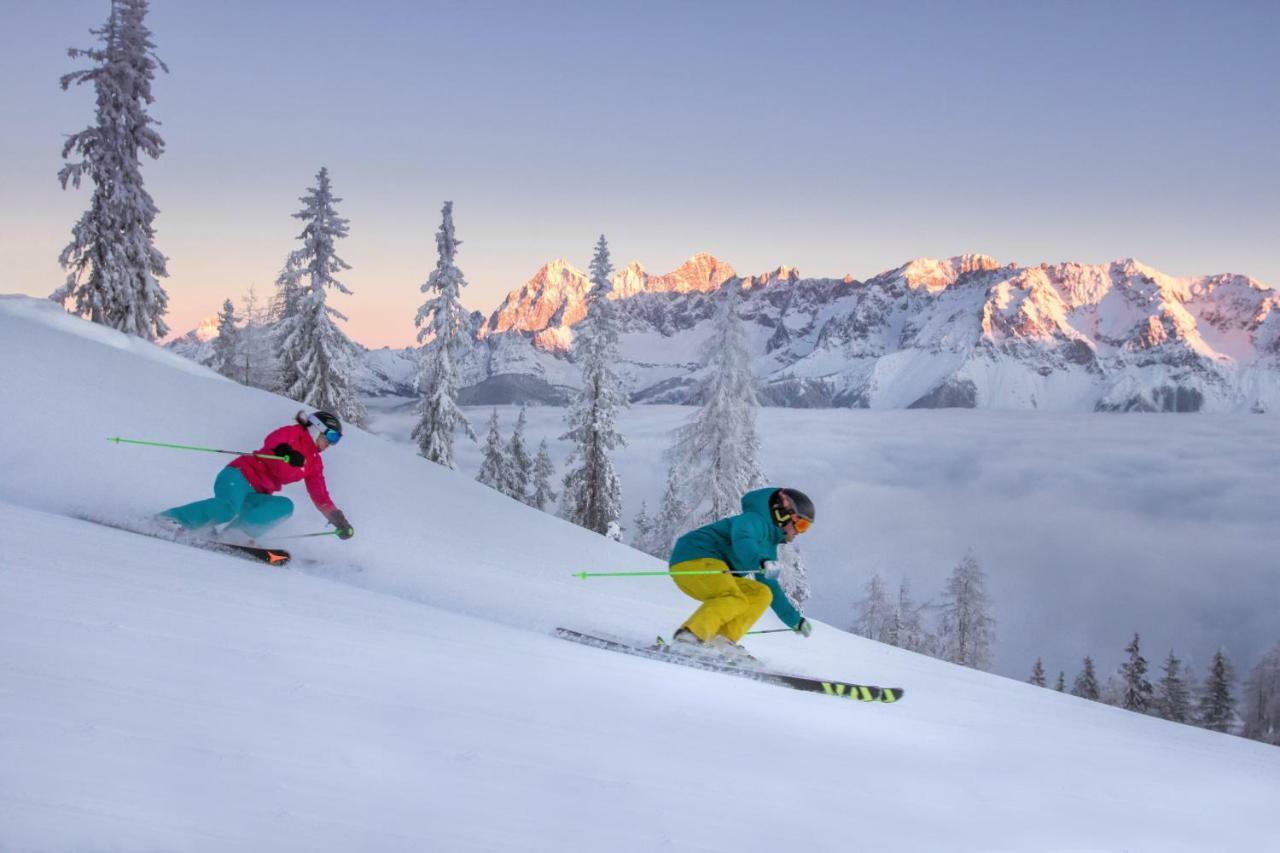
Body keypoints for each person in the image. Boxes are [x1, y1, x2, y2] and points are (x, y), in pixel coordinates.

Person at [160, 410, 354, 542]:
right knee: (227, 508)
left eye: (336, 440)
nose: (331, 443)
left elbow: (319, 494)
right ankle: (171, 520)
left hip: (258, 493)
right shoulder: (293, 434)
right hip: (238, 477)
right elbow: (272, 442)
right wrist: (284, 451)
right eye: (331, 437)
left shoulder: (314, 462)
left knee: (284, 506)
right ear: (315, 428)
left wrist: (337, 518)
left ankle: (234, 536)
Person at [668, 487, 814, 656]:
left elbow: (772, 587)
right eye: (801, 525)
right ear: (784, 514)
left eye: (806, 527)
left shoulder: (769, 547)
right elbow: (743, 539)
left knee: (761, 593)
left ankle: (722, 641)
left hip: (717, 571)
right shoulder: (753, 520)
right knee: (733, 597)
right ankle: (689, 636)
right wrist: (760, 561)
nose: (800, 532)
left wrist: (795, 621)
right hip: (694, 558)